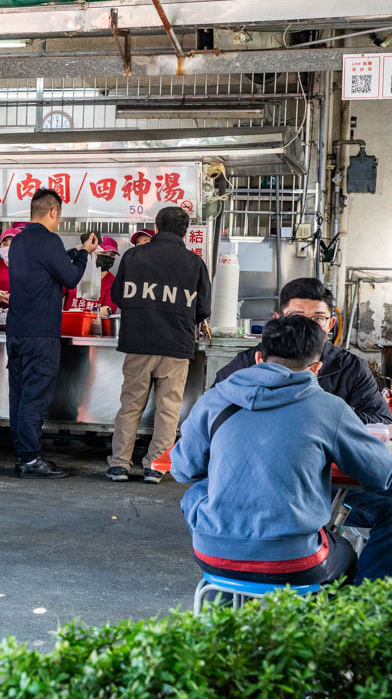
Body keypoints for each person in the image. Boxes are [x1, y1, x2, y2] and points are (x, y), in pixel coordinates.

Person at [172, 315, 392, 588]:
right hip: (295, 562)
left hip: (211, 555)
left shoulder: (214, 399)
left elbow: (183, 470)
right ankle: (360, 608)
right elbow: (381, 473)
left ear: (258, 359)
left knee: (196, 493)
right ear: (316, 368)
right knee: (344, 549)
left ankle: (232, 598)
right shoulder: (329, 408)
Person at [106, 207, 211, 483]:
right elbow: (203, 309)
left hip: (139, 342)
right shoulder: (195, 263)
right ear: (185, 232)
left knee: (130, 406)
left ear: (156, 226)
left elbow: (117, 296)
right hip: (176, 345)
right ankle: (156, 466)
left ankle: (119, 464)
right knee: (168, 409)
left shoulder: (133, 256)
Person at [5, 188, 98, 478]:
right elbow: (69, 278)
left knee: (19, 396)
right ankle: (30, 459)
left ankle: (23, 454)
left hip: (16, 331)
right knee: (35, 398)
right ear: (53, 212)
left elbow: (49, 264)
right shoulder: (49, 240)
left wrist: (76, 252)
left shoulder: (19, 241)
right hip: (40, 334)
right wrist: (84, 255)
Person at [215, 278, 389, 423]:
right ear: (278, 319)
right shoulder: (248, 361)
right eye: (296, 317)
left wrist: (331, 415)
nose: (307, 326)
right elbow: (215, 408)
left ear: (331, 324)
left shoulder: (351, 367)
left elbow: (382, 421)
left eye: (318, 318)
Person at [63, 235, 120, 314]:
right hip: (69, 320)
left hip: (95, 321)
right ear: (92, 251)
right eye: (103, 252)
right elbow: (55, 296)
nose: (107, 258)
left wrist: (88, 313)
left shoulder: (112, 281)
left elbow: (108, 309)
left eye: (112, 255)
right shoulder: (75, 272)